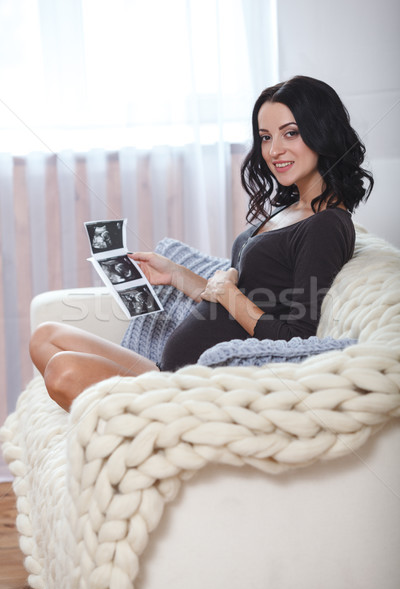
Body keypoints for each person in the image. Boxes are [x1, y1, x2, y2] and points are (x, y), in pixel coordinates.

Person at [29, 75, 373, 411]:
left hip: (194, 392)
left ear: (321, 132)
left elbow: (296, 337)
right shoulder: (289, 208)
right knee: (45, 336)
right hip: (168, 373)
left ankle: (137, 427)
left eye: (290, 134)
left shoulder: (327, 225)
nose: (273, 150)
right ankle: (119, 420)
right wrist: (175, 275)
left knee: (63, 370)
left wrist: (227, 293)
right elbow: (241, 297)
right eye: (266, 137)